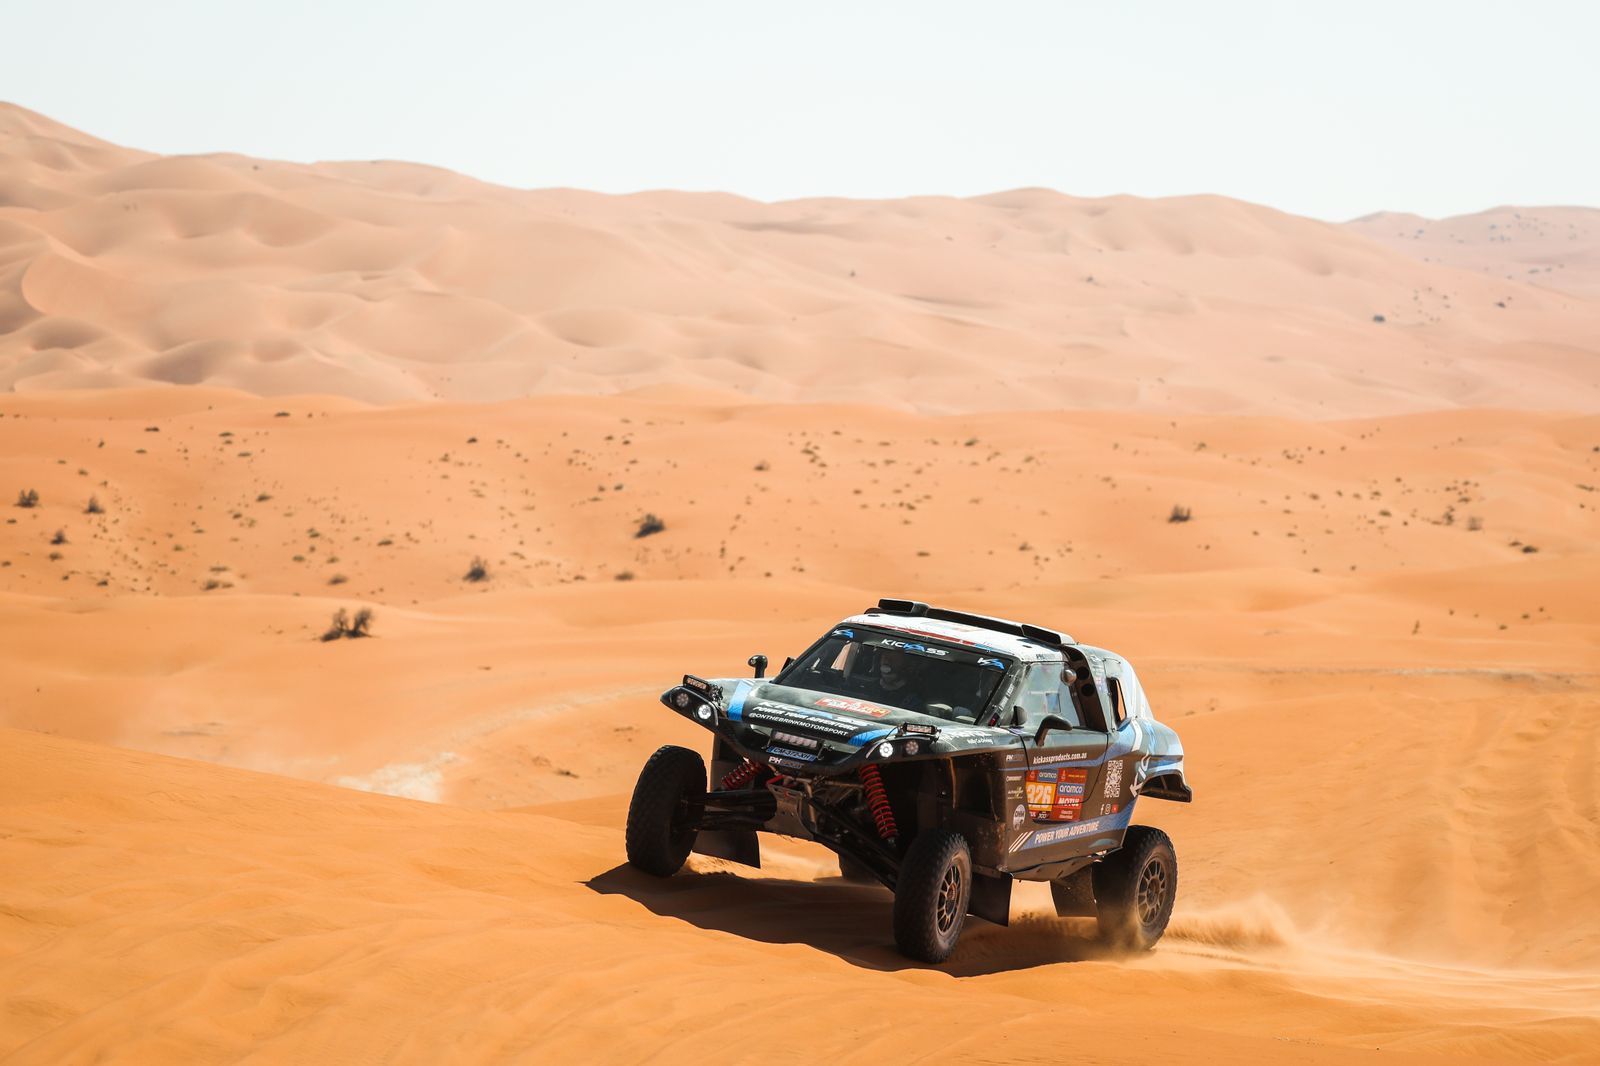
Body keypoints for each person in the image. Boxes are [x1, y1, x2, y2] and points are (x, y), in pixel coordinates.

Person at [866, 647, 925, 712]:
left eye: (894, 659)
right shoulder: (866, 686)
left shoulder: (913, 698)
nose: (887, 661)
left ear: (905, 665)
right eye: (885, 657)